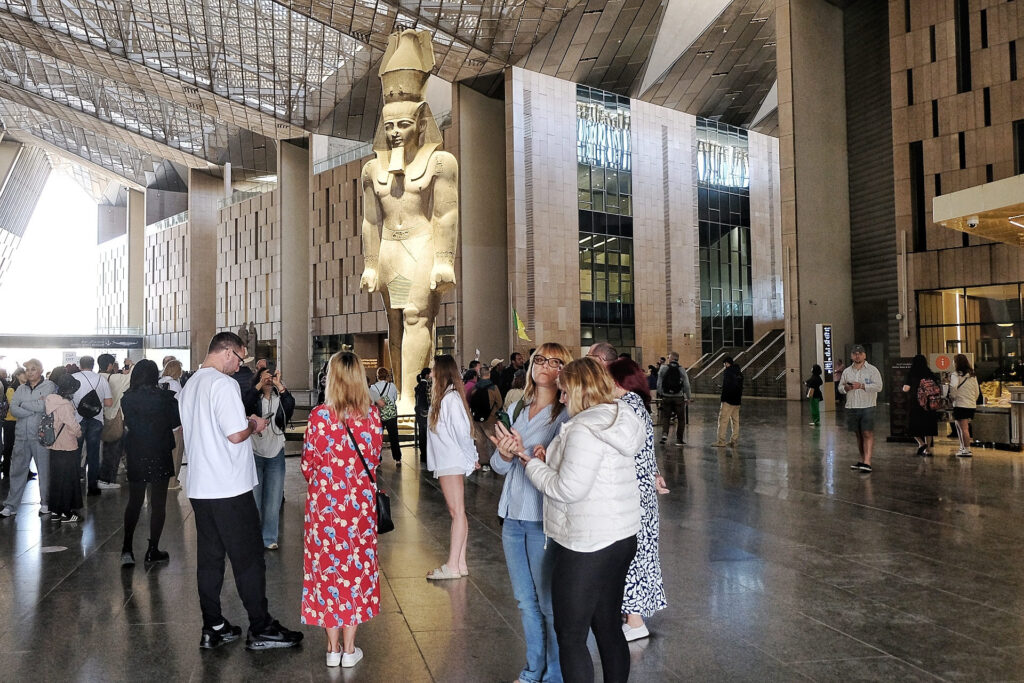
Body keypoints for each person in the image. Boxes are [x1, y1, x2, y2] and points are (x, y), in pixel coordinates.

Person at [522, 357, 645, 683]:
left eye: (564, 392)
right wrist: (550, 459)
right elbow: (595, 472)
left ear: (578, 390)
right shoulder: (620, 417)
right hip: (621, 535)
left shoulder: (583, 428)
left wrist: (531, 466)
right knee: (607, 626)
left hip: (588, 542)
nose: (561, 399)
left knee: (571, 634)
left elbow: (567, 489)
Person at [178, 332, 303, 651]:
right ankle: (261, 628)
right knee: (249, 559)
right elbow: (235, 435)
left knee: (210, 559)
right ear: (227, 352)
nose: (240, 366)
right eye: (239, 358)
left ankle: (214, 625)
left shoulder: (191, 384)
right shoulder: (223, 385)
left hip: (201, 487)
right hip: (229, 487)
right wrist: (254, 425)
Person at [488, 343, 573, 683]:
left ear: (564, 371)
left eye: (555, 361)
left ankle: (554, 674)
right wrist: (507, 455)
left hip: (542, 518)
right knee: (525, 601)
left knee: (549, 604)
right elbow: (497, 466)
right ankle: (532, 669)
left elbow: (564, 468)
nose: (545, 366)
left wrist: (539, 456)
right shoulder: (521, 407)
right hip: (512, 516)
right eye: (540, 359)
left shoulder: (565, 414)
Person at [301, 351, 384, 668]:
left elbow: (308, 466)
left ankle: (331, 648)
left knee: (327, 572)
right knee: (355, 572)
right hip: (359, 509)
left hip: (325, 510)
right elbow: (374, 461)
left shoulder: (319, 417)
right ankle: (350, 650)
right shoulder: (372, 417)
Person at [607, 358, 668, 643]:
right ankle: (632, 616)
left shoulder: (624, 407)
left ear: (620, 382)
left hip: (632, 493)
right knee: (641, 553)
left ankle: (635, 620)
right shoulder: (639, 406)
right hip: (643, 491)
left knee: (630, 555)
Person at [120, 359, 182, 566]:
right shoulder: (166, 398)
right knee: (158, 503)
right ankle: (152, 549)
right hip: (159, 451)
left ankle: (127, 549)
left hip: (137, 451)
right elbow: (175, 422)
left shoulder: (127, 399)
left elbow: (130, 422)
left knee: (135, 502)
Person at [425, 354, 479, 580]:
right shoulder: (447, 398)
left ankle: (453, 566)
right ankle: (460, 563)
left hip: (451, 461)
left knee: (457, 512)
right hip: (449, 461)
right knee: (457, 512)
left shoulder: (450, 399)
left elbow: (463, 433)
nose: (430, 374)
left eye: (433, 370)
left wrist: (472, 457)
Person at [242, 367, 295, 549]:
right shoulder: (253, 398)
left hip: (276, 453)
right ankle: (254, 538)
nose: (269, 380)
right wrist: (258, 384)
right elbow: (245, 404)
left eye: (271, 377)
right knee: (255, 500)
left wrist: (280, 385)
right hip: (255, 452)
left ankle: (269, 538)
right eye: (266, 376)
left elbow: (290, 406)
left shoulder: (280, 398)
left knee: (273, 500)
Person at [1, 359, 55, 518]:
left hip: (40, 435)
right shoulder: (20, 388)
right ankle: (11, 505)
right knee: (17, 470)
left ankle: (45, 503)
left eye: (33, 369)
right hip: (21, 436)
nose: (30, 372)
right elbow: (14, 409)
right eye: (27, 370)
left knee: (44, 471)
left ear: (40, 370)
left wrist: (24, 405)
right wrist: (31, 408)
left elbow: (44, 407)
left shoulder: (49, 386)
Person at [44, 371, 84, 523]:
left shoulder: (51, 400)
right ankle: (68, 513)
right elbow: (72, 425)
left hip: (54, 446)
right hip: (67, 446)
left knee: (56, 479)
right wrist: (79, 433)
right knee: (68, 480)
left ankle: (56, 511)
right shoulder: (65, 405)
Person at [71, 356, 114, 495]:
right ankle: (93, 487)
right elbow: (108, 403)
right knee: (93, 454)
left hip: (77, 420)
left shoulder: (73, 378)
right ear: (93, 365)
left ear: (80, 365)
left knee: (76, 453)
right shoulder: (101, 379)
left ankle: (75, 484)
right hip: (96, 419)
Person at [839, 344, 883, 473]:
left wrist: (862, 386)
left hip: (867, 405)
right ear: (851, 355)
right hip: (852, 406)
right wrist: (845, 388)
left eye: (860, 353)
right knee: (858, 434)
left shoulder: (872, 370)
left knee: (867, 432)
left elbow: (878, 387)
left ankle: (868, 462)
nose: (857, 355)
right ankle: (862, 459)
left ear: (864, 355)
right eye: (855, 353)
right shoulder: (847, 371)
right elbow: (840, 388)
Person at [98, 353, 130, 489]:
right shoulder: (115, 378)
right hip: (113, 418)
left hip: (97, 417)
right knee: (113, 449)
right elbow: (131, 377)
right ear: (110, 365)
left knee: (101, 450)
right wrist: (129, 364)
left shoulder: (96, 377)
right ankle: (107, 479)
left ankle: (99, 478)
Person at [901, 355, 938, 455]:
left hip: (916, 404)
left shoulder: (911, 374)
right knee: (928, 427)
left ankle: (921, 443)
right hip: (930, 404)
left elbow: (906, 388)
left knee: (913, 426)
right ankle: (928, 449)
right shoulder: (930, 373)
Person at [469, 364, 502, 470]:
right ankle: (496, 461)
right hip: (490, 419)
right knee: (493, 440)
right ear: (489, 374)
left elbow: (471, 403)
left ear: (480, 374)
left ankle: (484, 463)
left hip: (476, 418)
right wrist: (493, 412)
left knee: (480, 441)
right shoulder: (493, 387)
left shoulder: (474, 387)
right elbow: (500, 403)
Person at [160, 359, 186, 490]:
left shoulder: (158, 383)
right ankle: (172, 482)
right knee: (175, 453)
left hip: (160, 425)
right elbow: (180, 406)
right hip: (174, 425)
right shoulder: (175, 385)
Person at [948, 354, 980, 458]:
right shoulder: (972, 375)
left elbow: (953, 387)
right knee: (959, 426)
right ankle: (962, 447)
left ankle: (966, 449)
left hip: (960, 404)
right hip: (970, 404)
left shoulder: (956, 375)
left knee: (964, 428)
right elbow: (977, 391)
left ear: (956, 363)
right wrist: (972, 400)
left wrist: (952, 397)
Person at [369, 367, 402, 467]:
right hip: (391, 414)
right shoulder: (392, 385)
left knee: (378, 437)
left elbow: (372, 401)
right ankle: (397, 459)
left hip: (379, 414)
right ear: (387, 375)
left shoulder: (373, 387)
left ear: (377, 376)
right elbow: (395, 398)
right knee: (394, 437)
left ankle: (378, 459)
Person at [656, 351, 691, 445]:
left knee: (666, 417)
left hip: (666, 397)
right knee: (681, 419)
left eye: (669, 357)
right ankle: (679, 440)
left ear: (671, 358)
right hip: (678, 397)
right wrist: (688, 397)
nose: (668, 358)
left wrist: (661, 393)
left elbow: (659, 383)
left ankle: (664, 434)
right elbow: (686, 384)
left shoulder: (663, 368)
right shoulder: (681, 369)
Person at [712, 356, 744, 447]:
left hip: (728, 400)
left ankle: (721, 441)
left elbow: (728, 386)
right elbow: (737, 386)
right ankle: (734, 441)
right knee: (735, 421)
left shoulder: (727, 372)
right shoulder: (740, 373)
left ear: (727, 363)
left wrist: (723, 398)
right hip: (737, 401)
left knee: (723, 420)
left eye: (724, 364)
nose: (724, 366)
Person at [1, 367, 23, 481]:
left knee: (21, 448)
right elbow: (15, 406)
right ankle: (6, 470)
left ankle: (22, 471)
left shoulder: (25, 388)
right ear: (18, 375)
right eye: (24, 374)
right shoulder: (11, 389)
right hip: (11, 422)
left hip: (21, 421)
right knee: (9, 447)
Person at [414, 367, 431, 463]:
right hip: (426, 413)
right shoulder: (427, 386)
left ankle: (423, 454)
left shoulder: (418, 386)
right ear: (427, 375)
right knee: (427, 435)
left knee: (421, 435)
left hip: (419, 413)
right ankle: (427, 455)